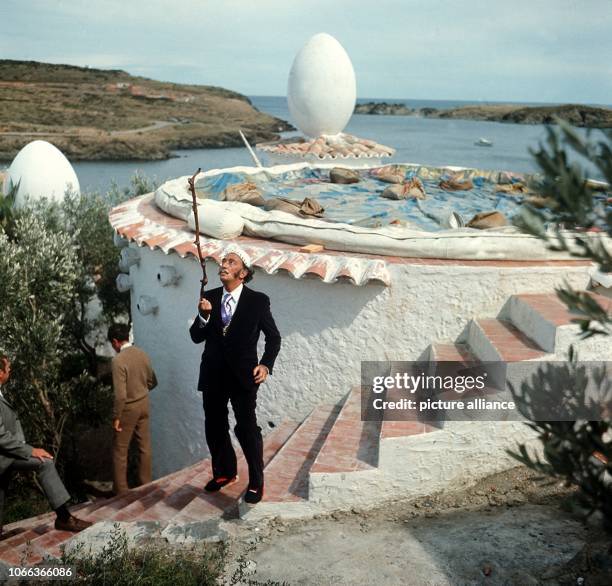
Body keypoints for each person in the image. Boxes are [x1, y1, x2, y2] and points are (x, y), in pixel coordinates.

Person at [190, 245, 281, 504]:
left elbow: (273, 337)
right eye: (223, 261)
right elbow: (196, 337)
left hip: (244, 377)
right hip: (213, 375)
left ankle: (256, 481)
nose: (224, 264)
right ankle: (225, 472)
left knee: (246, 428)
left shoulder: (258, 301)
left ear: (243, 272)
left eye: (230, 261)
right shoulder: (209, 296)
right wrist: (204, 317)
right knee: (215, 425)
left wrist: (265, 365)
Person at [0, 354, 92, 534]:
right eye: (8, 368)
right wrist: (30, 450)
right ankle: (65, 519)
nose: (10, 370)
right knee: (45, 463)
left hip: (7, 453)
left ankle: (64, 518)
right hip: (4, 454)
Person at [108, 324, 157, 495]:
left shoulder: (118, 361)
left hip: (128, 408)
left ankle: (121, 492)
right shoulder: (142, 354)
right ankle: (146, 486)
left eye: (112, 345)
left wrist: (116, 416)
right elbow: (153, 381)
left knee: (120, 449)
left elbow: (120, 395)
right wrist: (141, 391)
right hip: (144, 403)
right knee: (144, 446)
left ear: (115, 342)